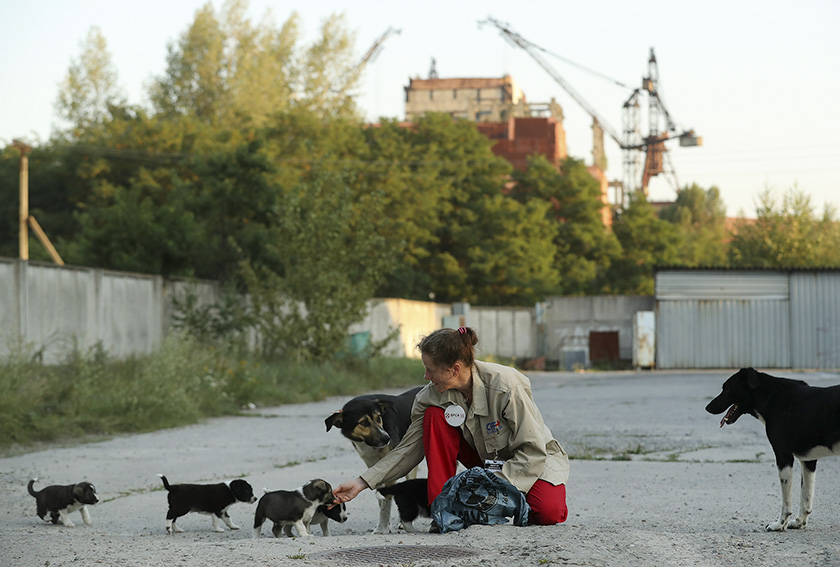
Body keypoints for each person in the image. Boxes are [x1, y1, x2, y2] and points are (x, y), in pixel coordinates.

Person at [332, 326, 569, 528]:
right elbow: (408, 449)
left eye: (430, 370)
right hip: (485, 461)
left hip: (528, 461)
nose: (425, 377)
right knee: (435, 416)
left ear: (454, 369)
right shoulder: (430, 397)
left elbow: (533, 449)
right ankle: (442, 509)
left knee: (547, 512)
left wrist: (492, 488)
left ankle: (491, 503)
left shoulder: (506, 386)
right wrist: (362, 482)